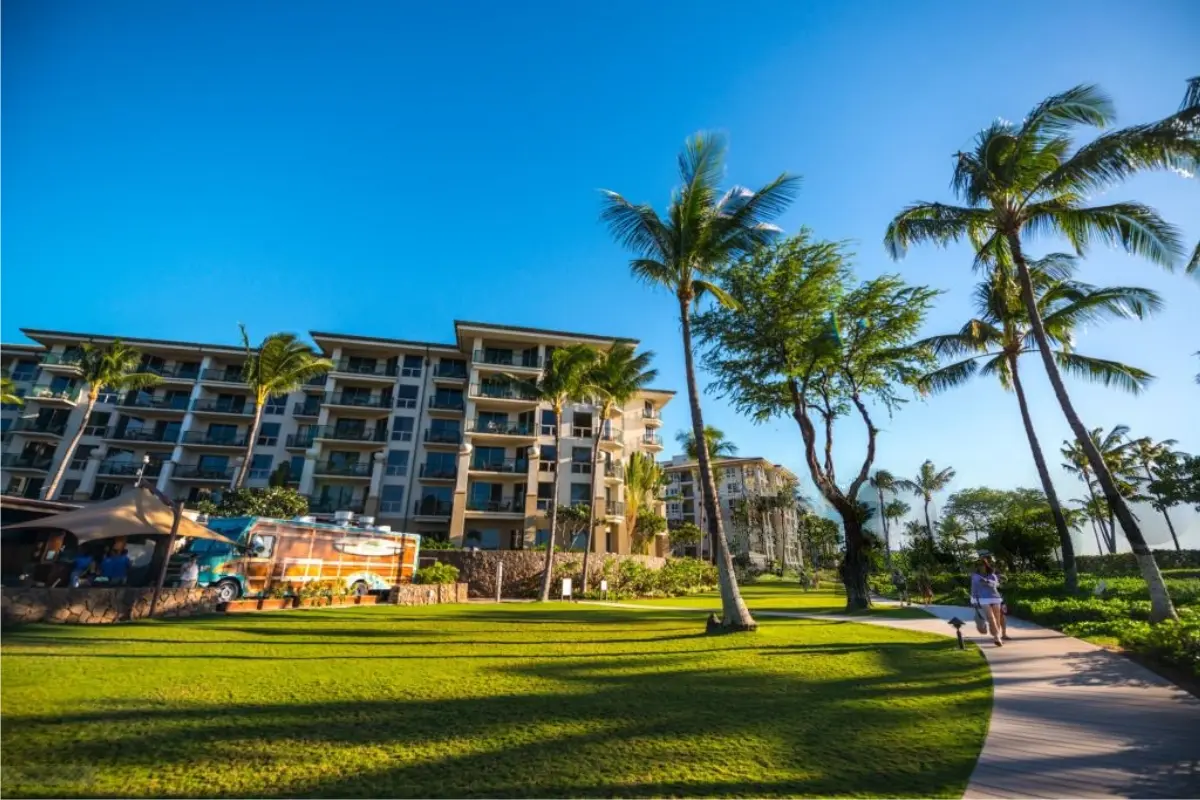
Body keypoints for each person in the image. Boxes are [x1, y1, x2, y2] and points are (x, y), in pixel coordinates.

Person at [970, 556, 1009, 646]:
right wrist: (973, 600)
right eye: (978, 565)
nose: (980, 566)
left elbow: (996, 584)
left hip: (995, 597)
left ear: (986, 565)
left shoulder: (992, 575)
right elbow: (974, 588)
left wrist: (987, 582)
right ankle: (997, 638)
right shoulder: (975, 576)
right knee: (990, 618)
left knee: (997, 618)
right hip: (983, 599)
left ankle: (997, 634)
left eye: (982, 565)